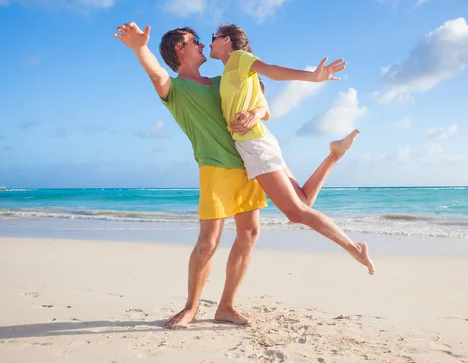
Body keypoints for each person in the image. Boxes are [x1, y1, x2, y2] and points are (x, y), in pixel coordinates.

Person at [113, 23, 365, 329]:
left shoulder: (222, 81)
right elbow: (156, 74)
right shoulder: (175, 89)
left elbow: (263, 105)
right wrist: (140, 48)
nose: (202, 45)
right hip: (215, 167)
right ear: (180, 49)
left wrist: (255, 113)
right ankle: (191, 306)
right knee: (208, 242)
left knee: (250, 234)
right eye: (195, 42)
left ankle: (226, 307)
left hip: (247, 165)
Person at [210, 24, 375, 275]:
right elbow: (266, 107)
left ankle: (354, 248)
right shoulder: (235, 75)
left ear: (226, 40)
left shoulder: (239, 58)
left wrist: (312, 77)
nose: (209, 43)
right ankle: (334, 155)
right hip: (261, 141)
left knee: (297, 212)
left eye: (213, 38)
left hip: (254, 145)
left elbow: (273, 71)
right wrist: (257, 111)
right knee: (303, 201)